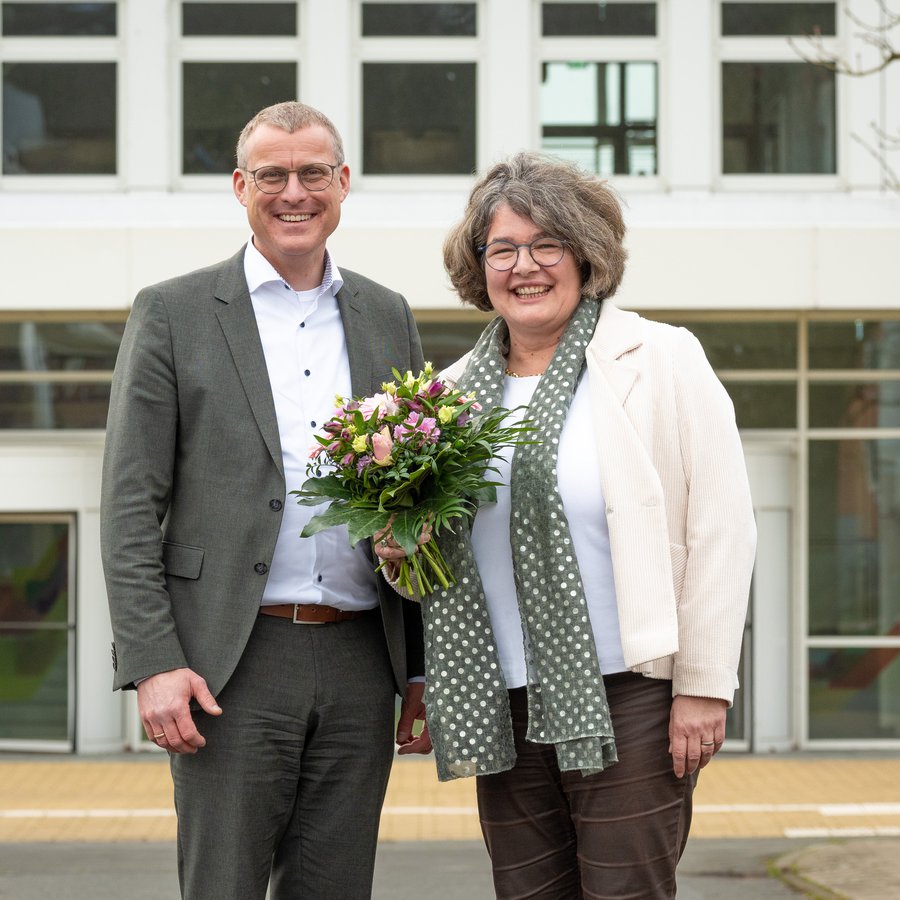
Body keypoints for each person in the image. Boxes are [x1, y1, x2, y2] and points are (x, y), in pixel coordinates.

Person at [375, 152, 756, 899]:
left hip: (633, 693)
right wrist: (396, 545)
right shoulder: (447, 397)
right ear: (478, 264)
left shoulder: (662, 359)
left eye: (547, 245)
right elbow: (430, 559)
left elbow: (723, 528)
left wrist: (705, 686)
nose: (526, 267)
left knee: (625, 891)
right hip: (502, 697)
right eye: (503, 249)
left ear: (586, 254)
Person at [100, 101, 431, 900]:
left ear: (343, 183)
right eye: (273, 175)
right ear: (241, 187)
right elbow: (128, 504)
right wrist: (154, 664)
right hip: (228, 665)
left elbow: (422, 496)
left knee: (337, 888)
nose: (295, 192)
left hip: (361, 661)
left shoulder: (387, 315)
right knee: (223, 887)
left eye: (313, 172)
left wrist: (419, 668)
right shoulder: (174, 312)